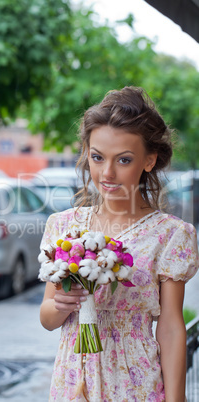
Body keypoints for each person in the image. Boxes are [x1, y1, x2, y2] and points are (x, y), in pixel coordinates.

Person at [39, 86, 198, 401]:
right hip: (72, 383)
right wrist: (62, 304)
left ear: (149, 161)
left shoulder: (170, 234)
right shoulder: (63, 226)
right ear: (87, 153)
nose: (107, 173)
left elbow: (170, 328)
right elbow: (47, 317)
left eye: (123, 160)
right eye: (97, 157)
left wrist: (176, 399)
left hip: (135, 383)